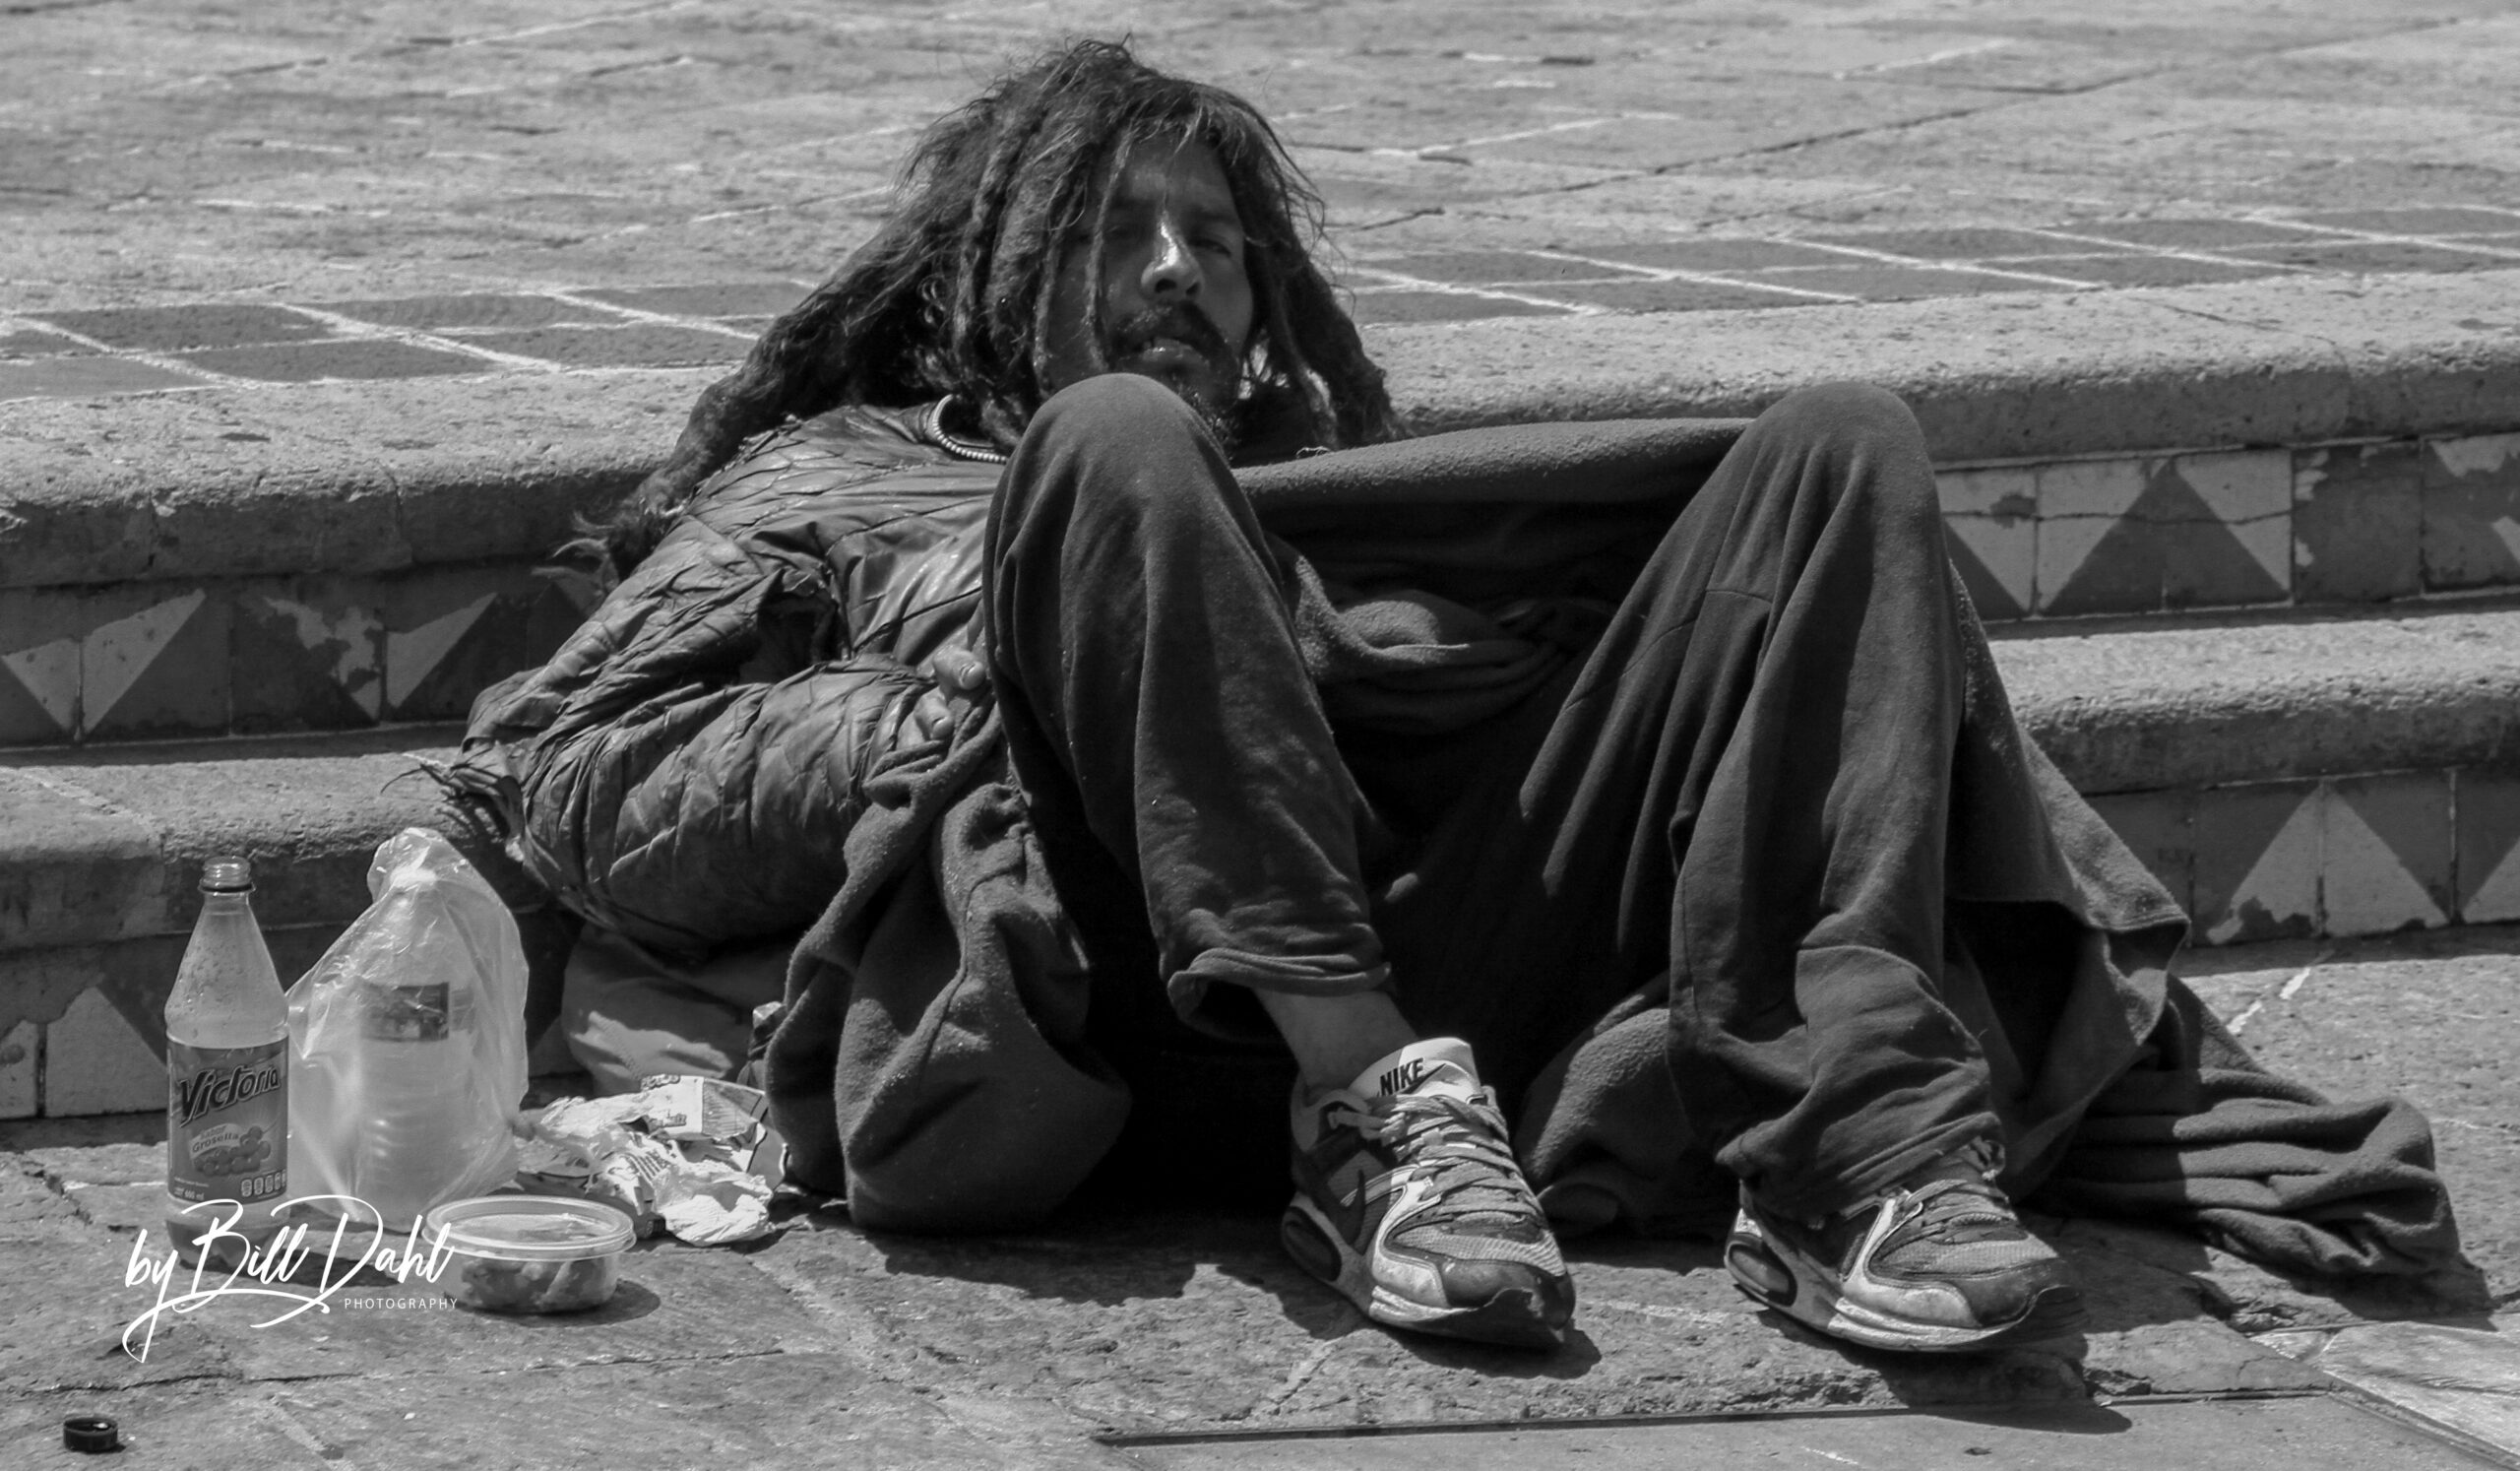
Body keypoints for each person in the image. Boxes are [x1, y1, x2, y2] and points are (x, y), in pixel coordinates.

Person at [452, 40, 2458, 1359]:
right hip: (1121, 997)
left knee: (1840, 440)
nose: (1180, 269)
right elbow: (551, 772)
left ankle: (1857, 1157)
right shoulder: (855, 479)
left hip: (1473, 970)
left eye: (1215, 241)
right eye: (1118, 232)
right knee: (1120, 441)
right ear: (989, 270)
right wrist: (944, 713)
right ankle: (1362, 1118)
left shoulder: (1329, 479)